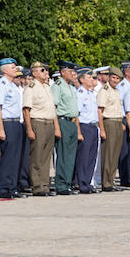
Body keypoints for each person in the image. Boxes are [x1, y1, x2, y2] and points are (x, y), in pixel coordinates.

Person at [22, 62, 59, 197]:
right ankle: (37, 186)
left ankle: (45, 185)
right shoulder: (31, 88)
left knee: (46, 157)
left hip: (49, 123)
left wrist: (56, 127)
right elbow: (26, 110)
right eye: (42, 70)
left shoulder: (47, 87)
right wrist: (29, 129)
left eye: (46, 70)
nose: (46, 73)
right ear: (34, 72)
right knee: (37, 156)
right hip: (38, 122)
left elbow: (53, 108)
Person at [0, 59, 25, 198]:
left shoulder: (12, 85)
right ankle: (4, 187)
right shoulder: (1, 85)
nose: (15, 69)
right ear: (4, 70)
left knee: (15, 157)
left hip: (16, 122)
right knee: (8, 157)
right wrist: (1, 128)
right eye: (12, 67)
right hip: (7, 123)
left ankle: (12, 187)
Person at [95, 67, 124, 191]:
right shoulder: (104, 90)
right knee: (108, 154)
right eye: (113, 77)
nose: (115, 80)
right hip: (109, 122)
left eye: (118, 78)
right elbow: (100, 111)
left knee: (115, 154)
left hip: (117, 122)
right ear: (109, 77)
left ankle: (111, 181)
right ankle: (106, 183)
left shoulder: (116, 91)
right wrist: (102, 129)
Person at [52, 62, 79, 195]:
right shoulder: (58, 86)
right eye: (70, 71)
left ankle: (68, 183)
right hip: (63, 121)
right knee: (63, 154)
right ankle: (61, 184)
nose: (73, 74)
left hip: (72, 122)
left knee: (70, 155)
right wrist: (57, 127)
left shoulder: (70, 87)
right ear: (63, 72)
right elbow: (54, 107)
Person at [74, 68, 101, 194]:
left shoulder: (91, 94)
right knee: (83, 157)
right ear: (82, 79)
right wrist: (79, 132)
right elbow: (77, 115)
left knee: (92, 157)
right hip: (84, 126)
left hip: (93, 126)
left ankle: (88, 182)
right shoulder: (79, 94)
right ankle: (82, 183)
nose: (92, 79)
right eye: (89, 77)